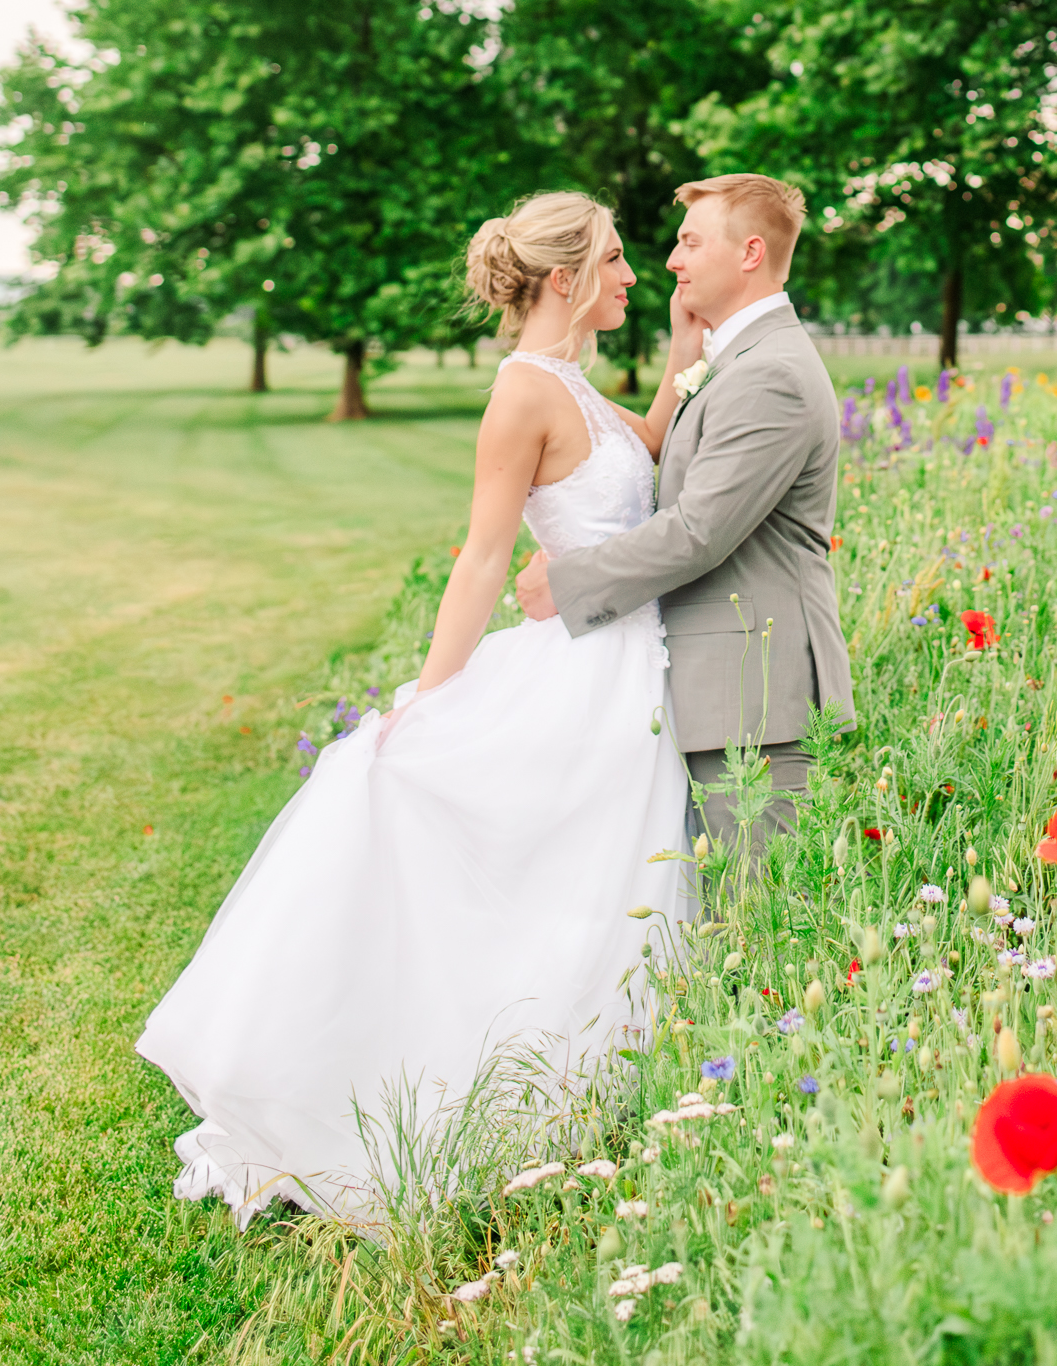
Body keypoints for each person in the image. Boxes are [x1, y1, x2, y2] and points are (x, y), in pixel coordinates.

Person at [136, 191, 705, 1226]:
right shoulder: (522, 395)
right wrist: (430, 703)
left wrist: (678, 347)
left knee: (603, 875)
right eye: (618, 261)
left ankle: (592, 1092)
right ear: (565, 278)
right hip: (580, 665)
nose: (634, 275)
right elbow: (484, 556)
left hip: (622, 660)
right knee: (553, 875)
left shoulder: (573, 383)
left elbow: (653, 444)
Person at [515, 171, 854, 846]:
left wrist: (564, 581)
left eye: (690, 243)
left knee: (756, 923)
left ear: (749, 254)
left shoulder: (770, 374)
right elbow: (665, 462)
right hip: (725, 694)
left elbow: (699, 530)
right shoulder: (740, 359)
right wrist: (683, 351)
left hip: (756, 702)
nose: (670, 262)